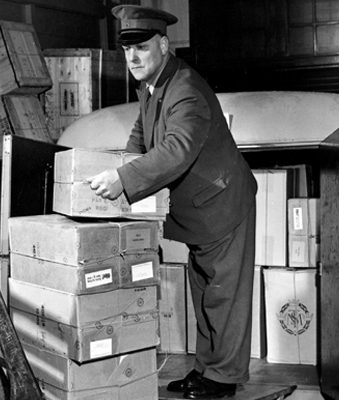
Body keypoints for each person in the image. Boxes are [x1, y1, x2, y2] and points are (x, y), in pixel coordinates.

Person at [86, 5, 257, 399]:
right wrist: (124, 163)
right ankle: (207, 369)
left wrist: (124, 179)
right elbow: (143, 130)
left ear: (163, 45)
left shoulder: (185, 90)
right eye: (127, 50)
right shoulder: (153, 84)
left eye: (142, 48)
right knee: (204, 293)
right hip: (200, 209)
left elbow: (178, 148)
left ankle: (225, 378)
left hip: (222, 205)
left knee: (224, 297)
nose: (133, 58)